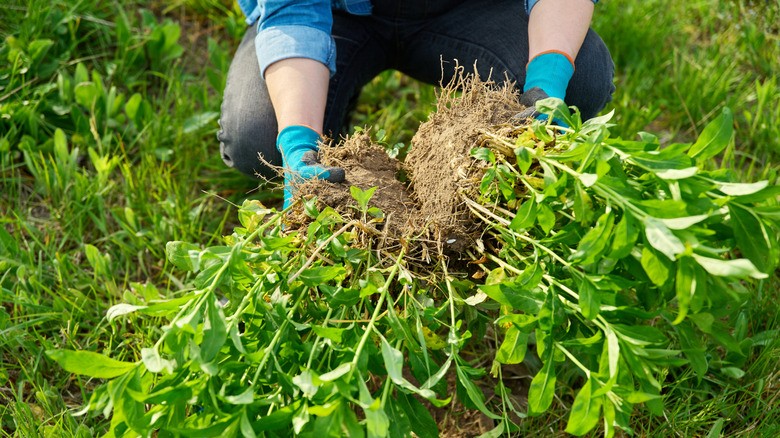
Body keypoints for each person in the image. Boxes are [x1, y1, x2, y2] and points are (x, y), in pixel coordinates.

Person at [217, 0, 615, 209]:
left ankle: (493, 178)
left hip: (469, 11)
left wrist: (545, 88)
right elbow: (294, 9)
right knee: (261, 138)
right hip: (338, 14)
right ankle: (330, 134)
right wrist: (299, 142)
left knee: (581, 80)